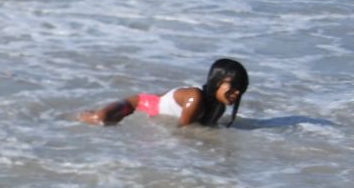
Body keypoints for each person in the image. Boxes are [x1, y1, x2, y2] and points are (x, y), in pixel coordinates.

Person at [78, 58, 249, 127]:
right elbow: (182, 131)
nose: (237, 93)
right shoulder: (194, 98)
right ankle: (69, 117)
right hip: (137, 104)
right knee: (100, 119)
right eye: (232, 88)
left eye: (241, 88)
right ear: (216, 83)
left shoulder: (219, 108)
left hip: (154, 107)